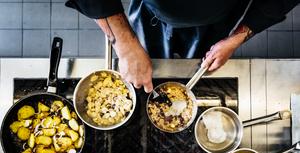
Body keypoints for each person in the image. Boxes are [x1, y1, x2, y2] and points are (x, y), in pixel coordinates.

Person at [66, 0, 299, 93]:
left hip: (218, 18)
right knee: (148, 61)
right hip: (153, 15)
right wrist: (126, 46)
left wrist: (237, 37)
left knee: (198, 60)